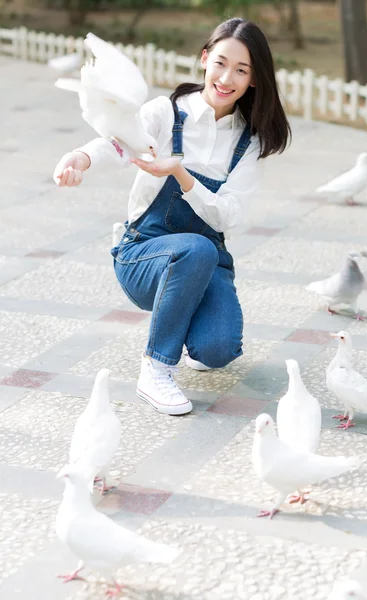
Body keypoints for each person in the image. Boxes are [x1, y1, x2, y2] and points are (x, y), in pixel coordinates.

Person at [53, 17, 291, 417]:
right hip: (145, 254)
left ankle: (186, 318)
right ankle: (156, 369)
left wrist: (179, 173)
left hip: (206, 257)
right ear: (204, 59)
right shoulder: (167, 112)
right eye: (220, 62)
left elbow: (228, 216)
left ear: (254, 80)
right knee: (194, 250)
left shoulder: (249, 141)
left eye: (242, 70)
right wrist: (80, 158)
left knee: (219, 350)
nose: (226, 77)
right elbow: (116, 142)